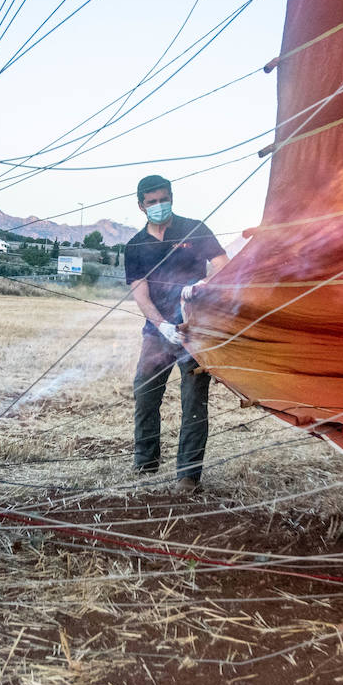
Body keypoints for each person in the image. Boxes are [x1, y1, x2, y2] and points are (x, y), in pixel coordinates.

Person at [124, 174, 227, 493]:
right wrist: (161, 325)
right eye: (151, 202)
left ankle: (188, 475)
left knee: (194, 400)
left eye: (163, 199)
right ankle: (145, 463)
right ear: (141, 206)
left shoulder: (194, 229)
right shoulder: (135, 246)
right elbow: (140, 293)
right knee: (145, 393)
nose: (159, 205)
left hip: (195, 331)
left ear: (171, 197)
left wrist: (202, 287)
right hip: (157, 332)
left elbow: (224, 265)